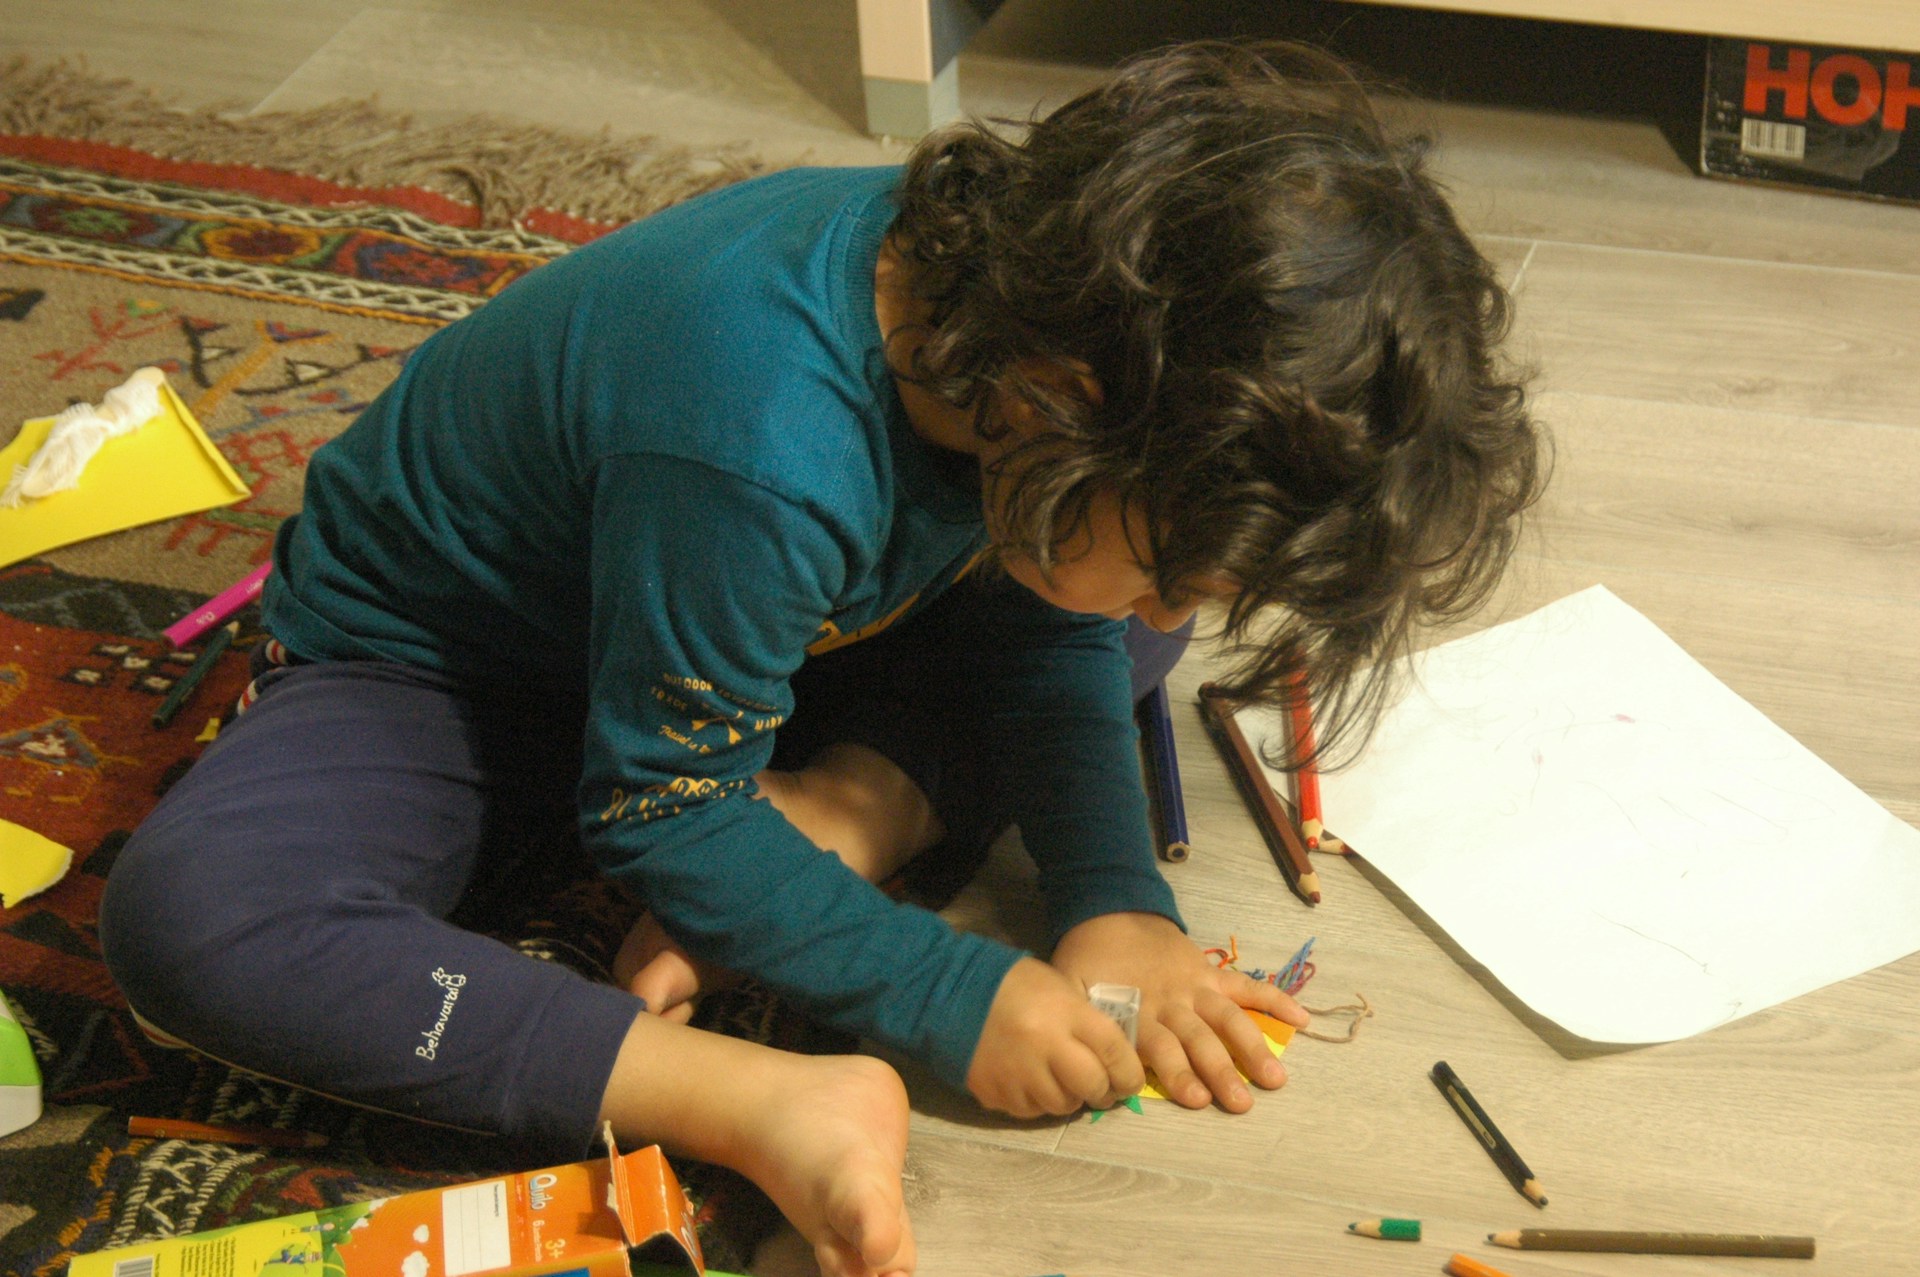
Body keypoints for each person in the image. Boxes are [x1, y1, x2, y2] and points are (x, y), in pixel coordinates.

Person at [99, 38, 1541, 1277]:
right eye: (1183, 555)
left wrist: (1114, 901)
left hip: (760, 617)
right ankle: (745, 1089)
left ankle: (845, 803)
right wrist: (939, 990)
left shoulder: (1018, 336)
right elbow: (654, 799)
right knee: (198, 917)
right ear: (1067, 393)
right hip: (453, 676)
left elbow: (1056, 622)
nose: (1195, 597)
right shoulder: (765, 443)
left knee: (1119, 623)